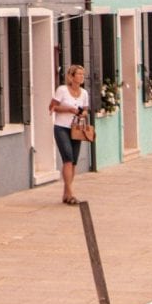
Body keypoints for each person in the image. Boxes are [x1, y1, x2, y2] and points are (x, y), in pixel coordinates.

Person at [49, 63, 89, 205]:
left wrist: (82, 113)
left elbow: (85, 109)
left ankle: (66, 194)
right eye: (79, 74)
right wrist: (68, 109)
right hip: (61, 128)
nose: (81, 77)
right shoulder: (62, 90)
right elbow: (52, 107)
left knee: (74, 162)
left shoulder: (84, 93)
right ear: (71, 77)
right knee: (68, 158)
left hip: (76, 129)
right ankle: (71, 193)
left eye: (83, 74)